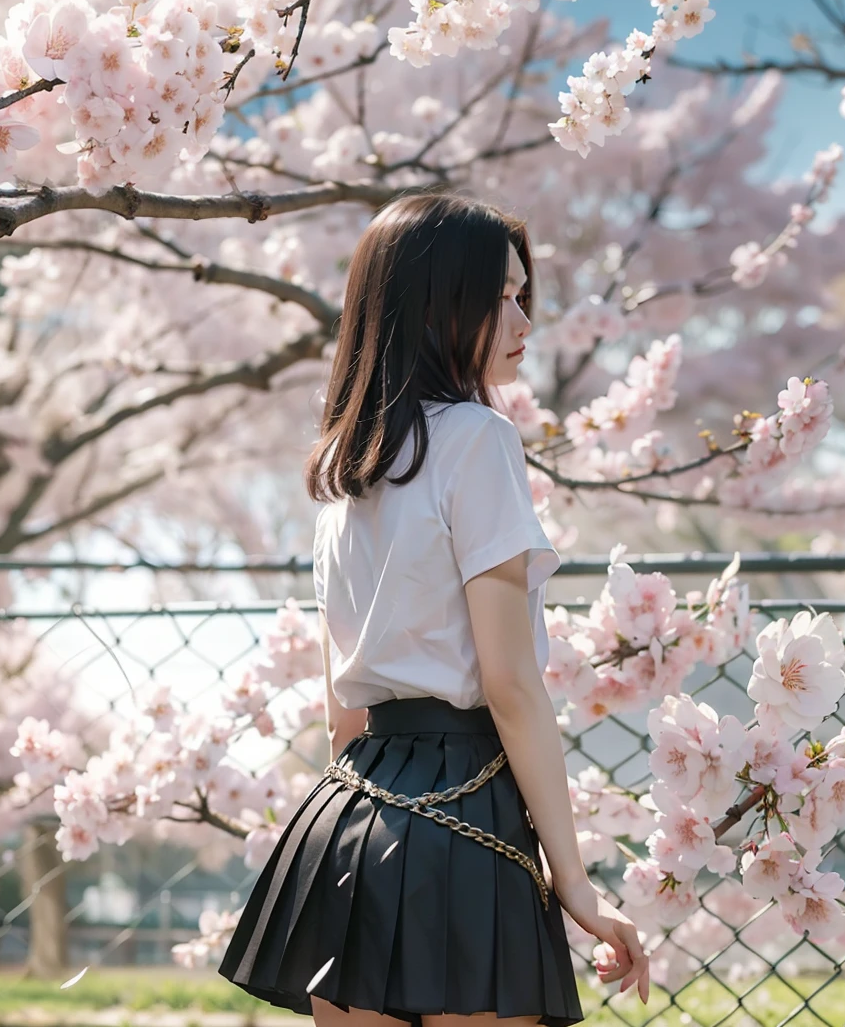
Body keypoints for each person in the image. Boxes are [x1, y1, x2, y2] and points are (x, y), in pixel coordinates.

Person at [218, 192, 650, 1027]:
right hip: (463, 816)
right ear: (437, 303)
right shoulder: (480, 440)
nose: (522, 317)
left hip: (345, 820)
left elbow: (344, 711)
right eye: (501, 297)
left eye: (524, 295)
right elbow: (511, 686)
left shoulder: (342, 474)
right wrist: (577, 885)